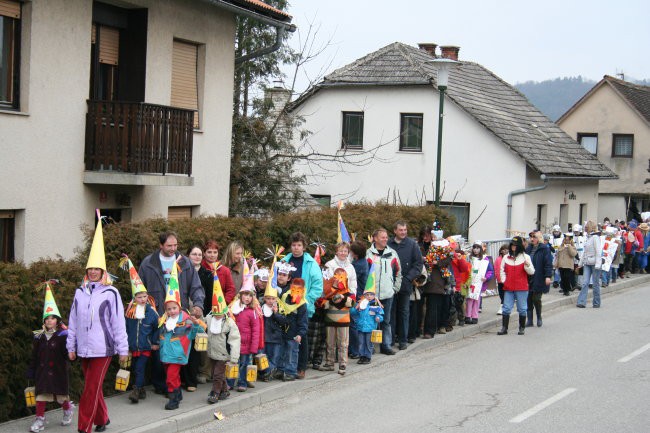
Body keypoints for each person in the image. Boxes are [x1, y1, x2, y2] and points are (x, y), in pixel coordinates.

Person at [67, 218, 128, 433]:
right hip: (84, 348)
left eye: (97, 269)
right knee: (93, 388)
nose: (93, 272)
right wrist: (71, 346)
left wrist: (123, 350)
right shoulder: (79, 292)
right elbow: (73, 321)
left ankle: (84, 428)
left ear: (103, 272)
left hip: (103, 349)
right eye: (90, 268)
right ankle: (102, 419)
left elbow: (118, 322)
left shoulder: (111, 293)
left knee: (90, 389)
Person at [138, 232, 205, 394]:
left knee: (177, 348)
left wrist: (198, 305)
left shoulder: (186, 263)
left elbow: (196, 287)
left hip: (178, 314)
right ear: (161, 245)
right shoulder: (148, 263)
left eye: (175, 245)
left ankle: (175, 384)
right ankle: (161, 385)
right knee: (159, 350)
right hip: (157, 314)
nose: (173, 249)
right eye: (169, 246)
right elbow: (140, 288)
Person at [28, 283, 73, 433]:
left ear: (57, 321)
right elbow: (34, 355)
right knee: (41, 396)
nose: (49, 321)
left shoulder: (62, 336)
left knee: (61, 397)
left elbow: (67, 354)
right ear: (44, 320)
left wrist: (72, 354)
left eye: (53, 318)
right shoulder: (39, 337)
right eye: (47, 318)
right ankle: (39, 420)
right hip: (42, 371)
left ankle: (67, 410)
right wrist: (31, 370)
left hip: (59, 371)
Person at [158, 269, 206, 410]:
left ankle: (173, 399)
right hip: (165, 354)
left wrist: (196, 324)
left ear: (179, 307)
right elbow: (161, 335)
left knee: (171, 378)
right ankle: (178, 394)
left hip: (178, 354)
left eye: (174, 308)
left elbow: (197, 332)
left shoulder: (186, 320)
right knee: (172, 376)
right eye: (169, 309)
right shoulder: (164, 320)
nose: (171, 311)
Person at [282, 232, 323, 379]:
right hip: (286, 305)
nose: (296, 248)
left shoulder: (311, 263)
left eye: (299, 245)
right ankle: (286, 365)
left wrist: (307, 300)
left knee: (302, 336)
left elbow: (318, 285)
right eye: (293, 245)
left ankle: (301, 367)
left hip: (302, 306)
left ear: (304, 247)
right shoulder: (285, 260)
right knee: (287, 336)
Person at [122, 256, 159, 404]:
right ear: (134, 297)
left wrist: (155, 342)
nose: (143, 299)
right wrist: (125, 346)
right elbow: (125, 329)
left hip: (146, 346)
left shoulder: (151, 312)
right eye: (139, 296)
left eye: (144, 296)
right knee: (136, 368)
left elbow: (157, 327)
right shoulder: (129, 313)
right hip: (133, 346)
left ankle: (136, 390)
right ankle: (142, 389)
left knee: (139, 368)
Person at [197, 240, 236, 382]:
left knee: (219, 341)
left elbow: (231, 289)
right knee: (206, 340)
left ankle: (217, 371)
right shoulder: (201, 269)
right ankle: (205, 371)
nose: (212, 255)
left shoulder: (224, 270)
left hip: (220, 311)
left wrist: (222, 304)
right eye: (209, 252)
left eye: (215, 252)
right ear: (204, 253)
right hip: (205, 309)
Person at [387, 221, 423, 350]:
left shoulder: (412, 245)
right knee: (390, 313)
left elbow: (418, 264)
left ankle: (403, 340)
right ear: (395, 231)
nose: (403, 232)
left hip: (405, 285)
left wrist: (408, 278)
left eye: (405, 230)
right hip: (390, 285)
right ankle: (390, 341)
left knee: (404, 312)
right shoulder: (388, 244)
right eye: (401, 230)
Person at [204, 277, 240, 404]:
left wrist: (234, 358)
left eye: (220, 312)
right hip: (213, 352)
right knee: (217, 373)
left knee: (217, 375)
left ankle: (215, 393)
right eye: (215, 312)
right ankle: (224, 391)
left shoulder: (230, 323)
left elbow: (235, 340)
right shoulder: (209, 318)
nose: (217, 315)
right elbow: (202, 326)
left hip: (224, 354)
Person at [366, 228, 401, 354]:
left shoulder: (392, 253)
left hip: (387, 293)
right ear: (375, 238)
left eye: (386, 237)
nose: (385, 239)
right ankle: (370, 347)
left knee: (386, 321)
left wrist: (394, 288)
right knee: (371, 321)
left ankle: (386, 345)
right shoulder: (369, 254)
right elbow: (364, 274)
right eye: (382, 237)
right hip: (372, 295)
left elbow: (398, 272)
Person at [497, 236, 534, 336]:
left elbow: (531, 272)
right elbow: (502, 271)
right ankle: (504, 328)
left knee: (522, 308)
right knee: (506, 308)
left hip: (521, 287)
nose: (513, 247)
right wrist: (504, 281)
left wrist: (527, 266)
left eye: (515, 245)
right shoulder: (506, 257)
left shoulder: (526, 257)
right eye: (512, 245)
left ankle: (521, 328)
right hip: (509, 287)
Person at [321, 269, 356, 375]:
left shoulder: (348, 292)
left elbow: (352, 304)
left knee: (343, 344)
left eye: (342, 278)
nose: (339, 280)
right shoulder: (329, 291)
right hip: (330, 321)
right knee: (330, 343)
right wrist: (332, 299)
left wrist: (342, 298)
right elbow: (323, 305)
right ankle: (330, 363)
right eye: (337, 277)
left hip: (343, 322)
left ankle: (342, 364)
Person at [230, 278, 261, 392]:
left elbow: (256, 331)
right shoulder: (234, 309)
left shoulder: (253, 312)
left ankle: (242, 382)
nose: (247, 298)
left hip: (246, 344)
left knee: (243, 364)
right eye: (245, 295)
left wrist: (254, 347)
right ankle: (230, 382)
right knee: (233, 363)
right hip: (234, 343)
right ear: (241, 295)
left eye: (250, 295)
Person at [421, 233, 453, 337]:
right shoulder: (424, 247)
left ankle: (430, 330)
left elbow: (449, 259)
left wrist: (437, 262)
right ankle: (429, 329)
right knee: (431, 307)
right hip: (429, 281)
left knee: (434, 306)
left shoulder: (442, 249)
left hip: (436, 282)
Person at [276, 278, 309, 381]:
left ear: (303, 291)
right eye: (293, 289)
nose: (295, 292)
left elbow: (303, 322)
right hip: (283, 331)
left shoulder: (302, 305)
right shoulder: (285, 297)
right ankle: (281, 369)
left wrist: (300, 334)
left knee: (292, 353)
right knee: (282, 352)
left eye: (298, 290)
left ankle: (290, 372)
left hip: (294, 333)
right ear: (290, 288)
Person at [350, 267, 384, 365]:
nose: (369, 296)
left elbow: (380, 314)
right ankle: (362, 356)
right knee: (361, 343)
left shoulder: (375, 304)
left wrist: (379, 318)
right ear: (364, 295)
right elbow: (353, 313)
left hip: (370, 328)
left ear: (374, 296)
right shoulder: (361, 303)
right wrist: (356, 308)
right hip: (360, 327)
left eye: (371, 295)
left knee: (369, 343)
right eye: (367, 294)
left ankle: (368, 356)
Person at [525, 231, 553, 327]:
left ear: (539, 238)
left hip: (539, 277)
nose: (532, 239)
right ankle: (529, 320)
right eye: (531, 237)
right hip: (528, 277)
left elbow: (548, 264)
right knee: (528, 299)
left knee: (536, 299)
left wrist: (548, 276)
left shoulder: (544, 249)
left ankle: (539, 317)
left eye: (534, 237)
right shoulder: (528, 249)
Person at [261, 281, 287, 381]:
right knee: (264, 358)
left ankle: (268, 374)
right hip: (264, 337)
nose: (270, 301)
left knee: (274, 357)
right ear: (264, 299)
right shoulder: (261, 308)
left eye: (273, 298)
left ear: (276, 299)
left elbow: (284, 321)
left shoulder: (280, 308)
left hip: (276, 338)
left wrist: (276, 313)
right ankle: (268, 373)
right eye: (268, 298)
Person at [349, 240, 369, 357]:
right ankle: (356, 349)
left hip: (357, 297)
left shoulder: (357, 265)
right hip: (360, 295)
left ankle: (355, 350)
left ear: (355, 254)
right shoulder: (362, 262)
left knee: (354, 324)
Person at [577, 220, 603, 309]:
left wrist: (598, 264)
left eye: (586, 227)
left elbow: (598, 251)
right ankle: (581, 302)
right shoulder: (588, 237)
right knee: (585, 283)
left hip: (595, 263)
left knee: (595, 284)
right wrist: (580, 263)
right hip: (587, 263)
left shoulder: (595, 237)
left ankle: (596, 302)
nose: (585, 228)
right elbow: (585, 252)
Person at [466, 241, 493, 325]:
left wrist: (486, 278)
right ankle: (467, 316)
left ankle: (474, 316)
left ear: (481, 249)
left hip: (480, 282)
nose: (476, 250)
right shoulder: (469, 258)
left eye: (478, 248)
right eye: (474, 248)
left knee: (476, 299)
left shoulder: (485, 258)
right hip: (470, 281)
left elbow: (490, 271)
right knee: (469, 298)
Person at [493, 245, 509, 314]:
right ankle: (504, 306)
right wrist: (497, 278)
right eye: (503, 249)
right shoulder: (498, 259)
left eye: (506, 249)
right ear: (501, 251)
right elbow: (496, 269)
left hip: (507, 280)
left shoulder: (509, 258)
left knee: (506, 294)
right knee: (501, 294)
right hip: (500, 280)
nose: (505, 251)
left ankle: (501, 308)